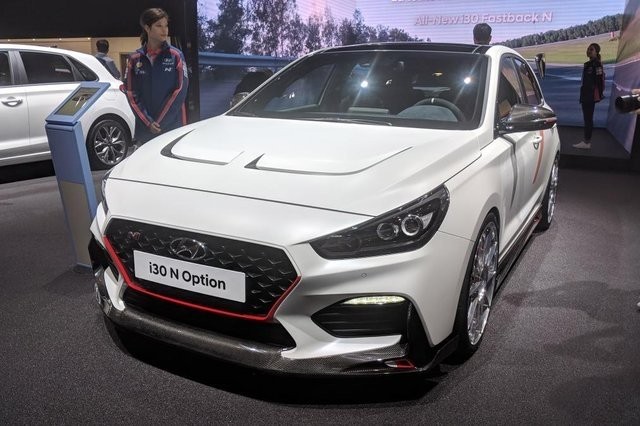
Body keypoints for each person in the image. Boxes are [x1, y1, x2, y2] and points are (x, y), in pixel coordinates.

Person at [124, 8, 189, 144]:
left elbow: (180, 91)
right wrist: (148, 122)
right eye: (159, 26)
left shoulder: (176, 55)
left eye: (166, 25)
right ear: (147, 28)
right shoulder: (134, 59)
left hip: (172, 125)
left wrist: (160, 122)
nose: (164, 30)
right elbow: (131, 93)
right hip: (145, 128)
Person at [573, 43, 604, 150]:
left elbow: (600, 81)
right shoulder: (587, 64)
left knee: (588, 119)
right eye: (588, 49)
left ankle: (587, 142)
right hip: (585, 94)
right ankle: (586, 140)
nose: (589, 51)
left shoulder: (597, 64)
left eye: (591, 49)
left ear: (596, 52)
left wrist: (599, 94)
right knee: (587, 118)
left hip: (590, 95)